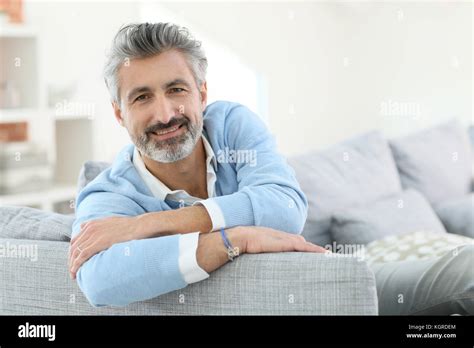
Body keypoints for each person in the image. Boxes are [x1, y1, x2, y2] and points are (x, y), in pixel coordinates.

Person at [68, 22, 327, 307]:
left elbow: (286, 208)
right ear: (120, 113)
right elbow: (98, 281)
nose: (165, 115)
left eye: (176, 90)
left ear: (202, 95)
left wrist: (146, 226)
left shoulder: (232, 126)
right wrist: (233, 240)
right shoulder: (107, 195)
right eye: (142, 97)